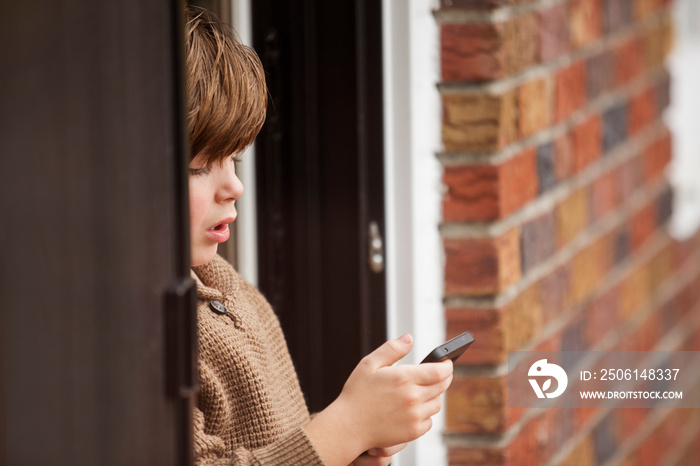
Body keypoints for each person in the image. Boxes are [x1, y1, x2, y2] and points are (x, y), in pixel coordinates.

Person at [184, 6, 454, 465]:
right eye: (199, 166)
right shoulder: (141, 329)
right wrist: (346, 425)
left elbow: (275, 448)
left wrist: (350, 449)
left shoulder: (228, 288)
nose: (235, 187)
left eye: (235, 161)